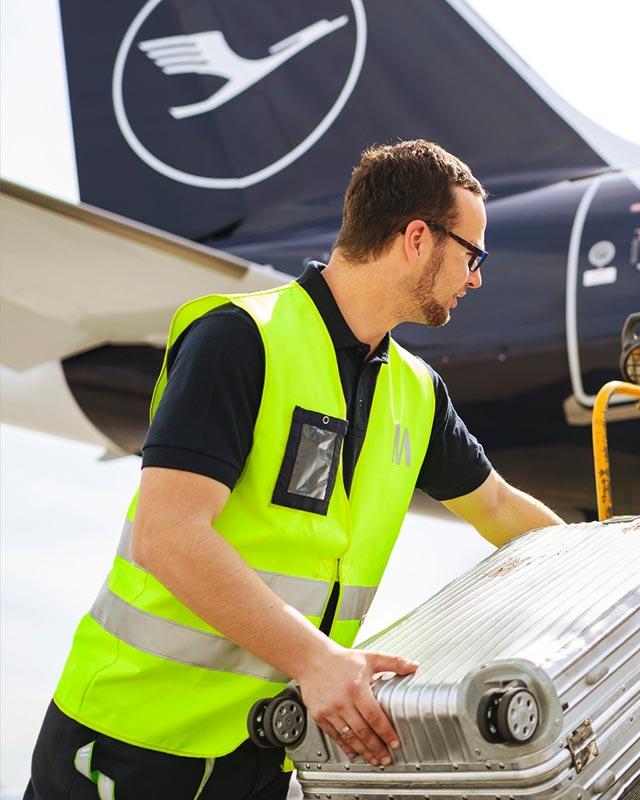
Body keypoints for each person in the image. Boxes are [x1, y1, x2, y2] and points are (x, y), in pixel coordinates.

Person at [25, 140, 564, 799]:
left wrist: (630, 574)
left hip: (265, 754)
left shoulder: (417, 395)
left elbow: (503, 510)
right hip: (129, 743)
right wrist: (316, 659)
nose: (477, 276)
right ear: (417, 238)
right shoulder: (240, 337)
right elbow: (166, 535)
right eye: (472, 254)